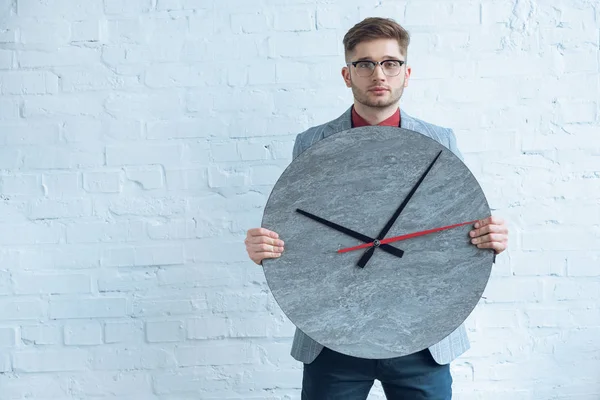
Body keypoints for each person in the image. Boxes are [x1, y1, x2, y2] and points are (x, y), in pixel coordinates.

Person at [245, 17, 509, 400]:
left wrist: (489, 240)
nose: (378, 73)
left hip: (422, 332)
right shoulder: (312, 143)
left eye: (390, 63)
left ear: (407, 72)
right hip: (333, 332)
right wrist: (268, 250)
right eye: (364, 63)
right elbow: (302, 233)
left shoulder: (440, 141)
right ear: (347, 73)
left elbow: (455, 227)